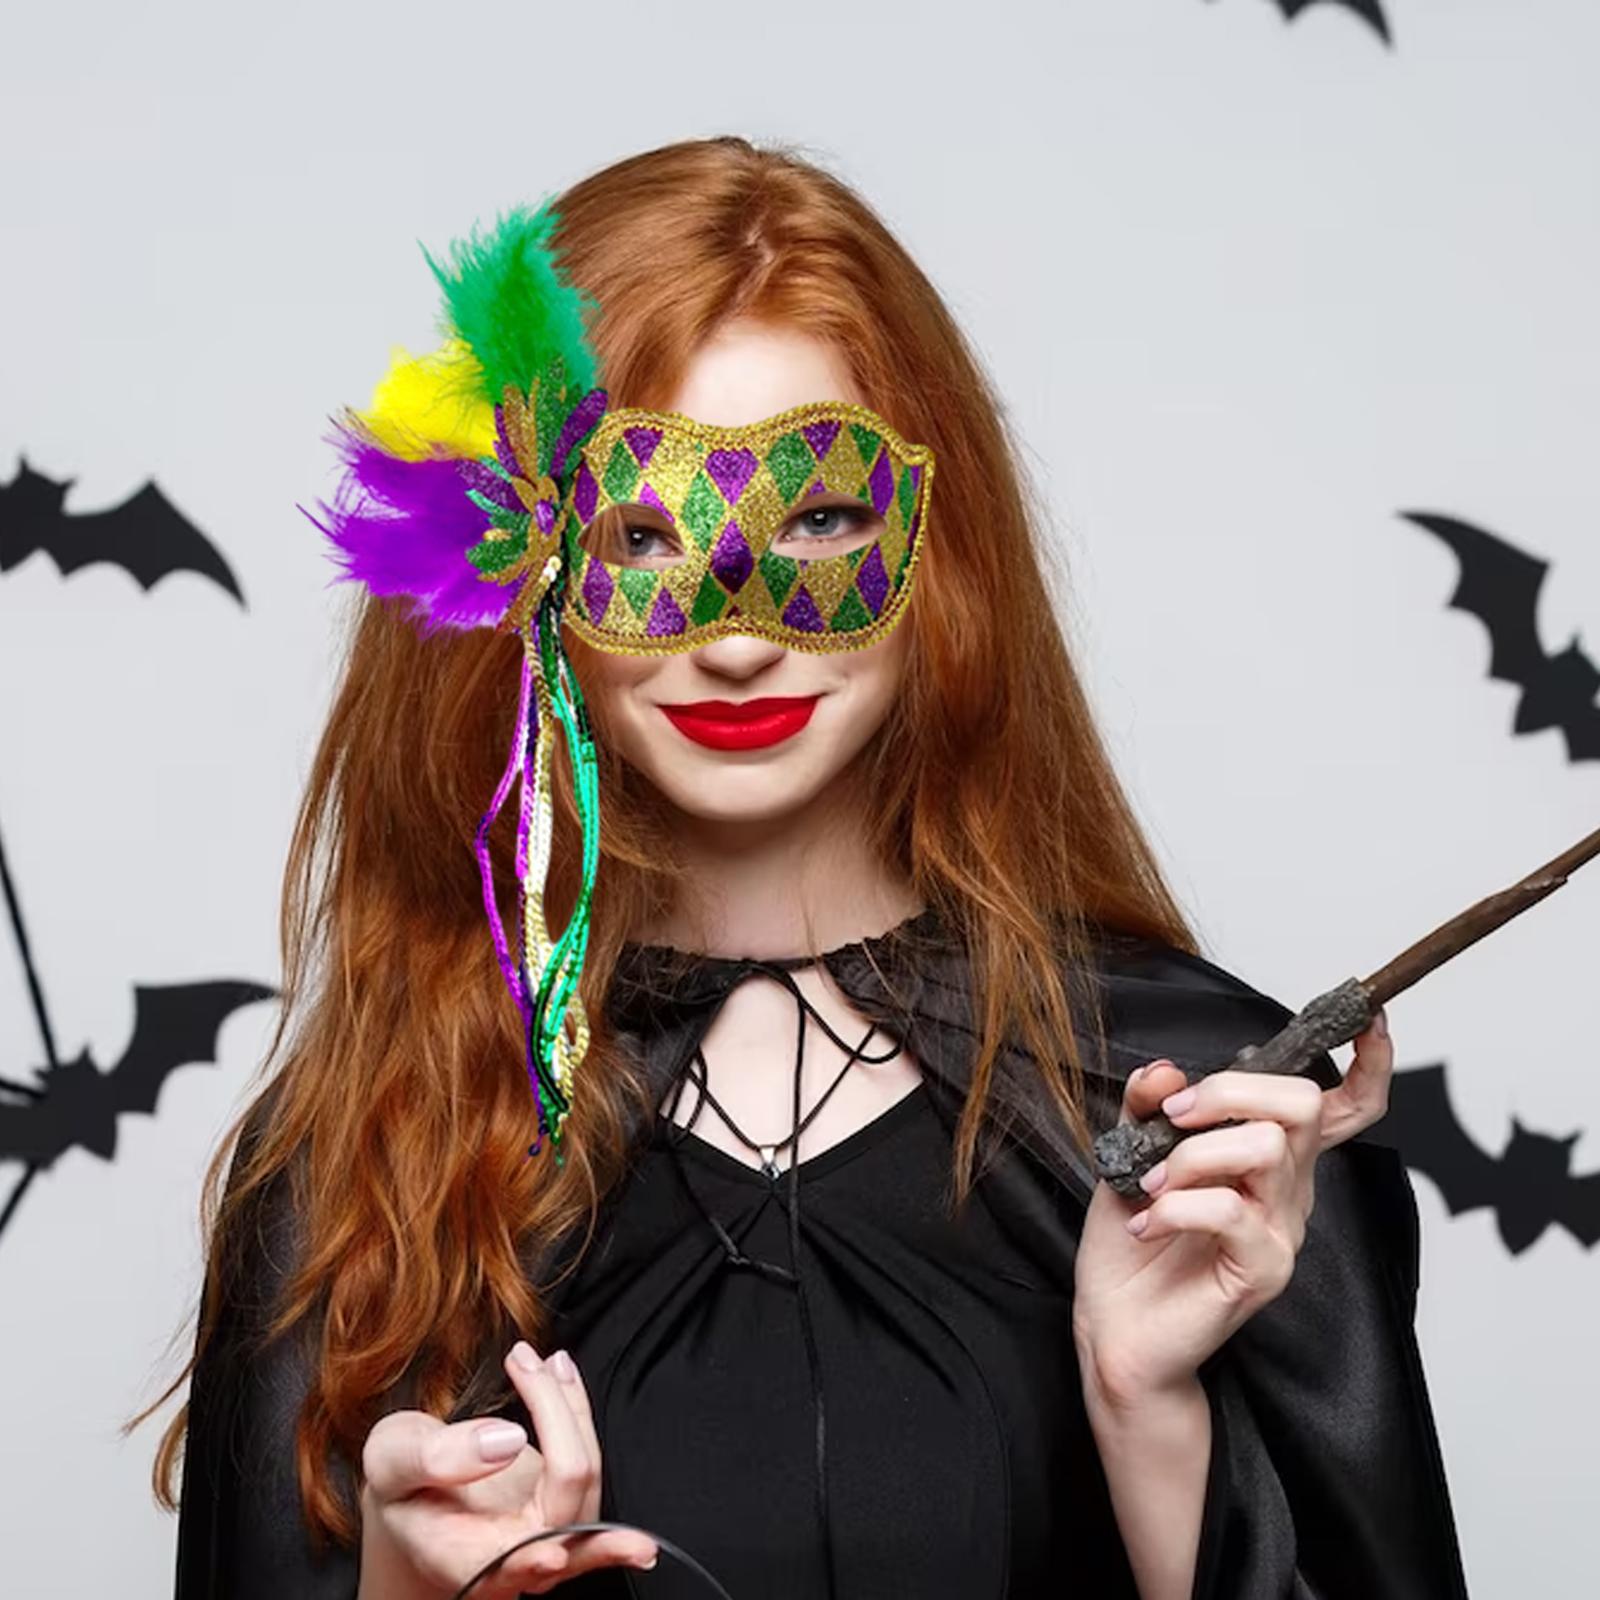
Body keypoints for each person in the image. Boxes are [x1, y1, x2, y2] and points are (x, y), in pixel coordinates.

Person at [140, 136, 1469, 1599]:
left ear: (941, 548)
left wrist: (1148, 1410)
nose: (735, 639)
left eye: (821, 518)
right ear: (520, 573)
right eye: (640, 533)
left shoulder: (1203, 1121)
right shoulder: (366, 1158)